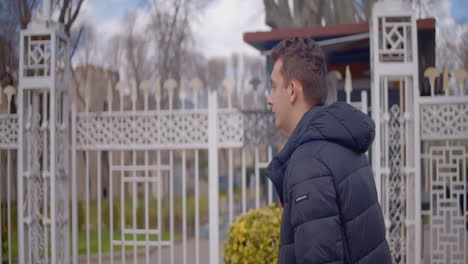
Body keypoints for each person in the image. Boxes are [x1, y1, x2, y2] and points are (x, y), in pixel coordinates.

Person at [265, 37, 392, 264]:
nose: (269, 99)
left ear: (292, 90)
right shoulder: (343, 145)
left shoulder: (309, 164)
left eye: (274, 86)